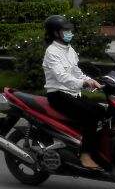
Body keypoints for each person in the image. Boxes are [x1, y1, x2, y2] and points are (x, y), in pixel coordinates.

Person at [42, 15, 105, 170]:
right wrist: (83, 83)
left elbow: (77, 73)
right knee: (91, 117)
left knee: (102, 110)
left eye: (70, 29)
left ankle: (92, 147)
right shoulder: (52, 52)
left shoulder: (70, 50)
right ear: (56, 33)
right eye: (65, 30)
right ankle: (85, 155)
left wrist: (93, 83)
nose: (69, 32)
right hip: (58, 95)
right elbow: (62, 77)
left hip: (72, 94)